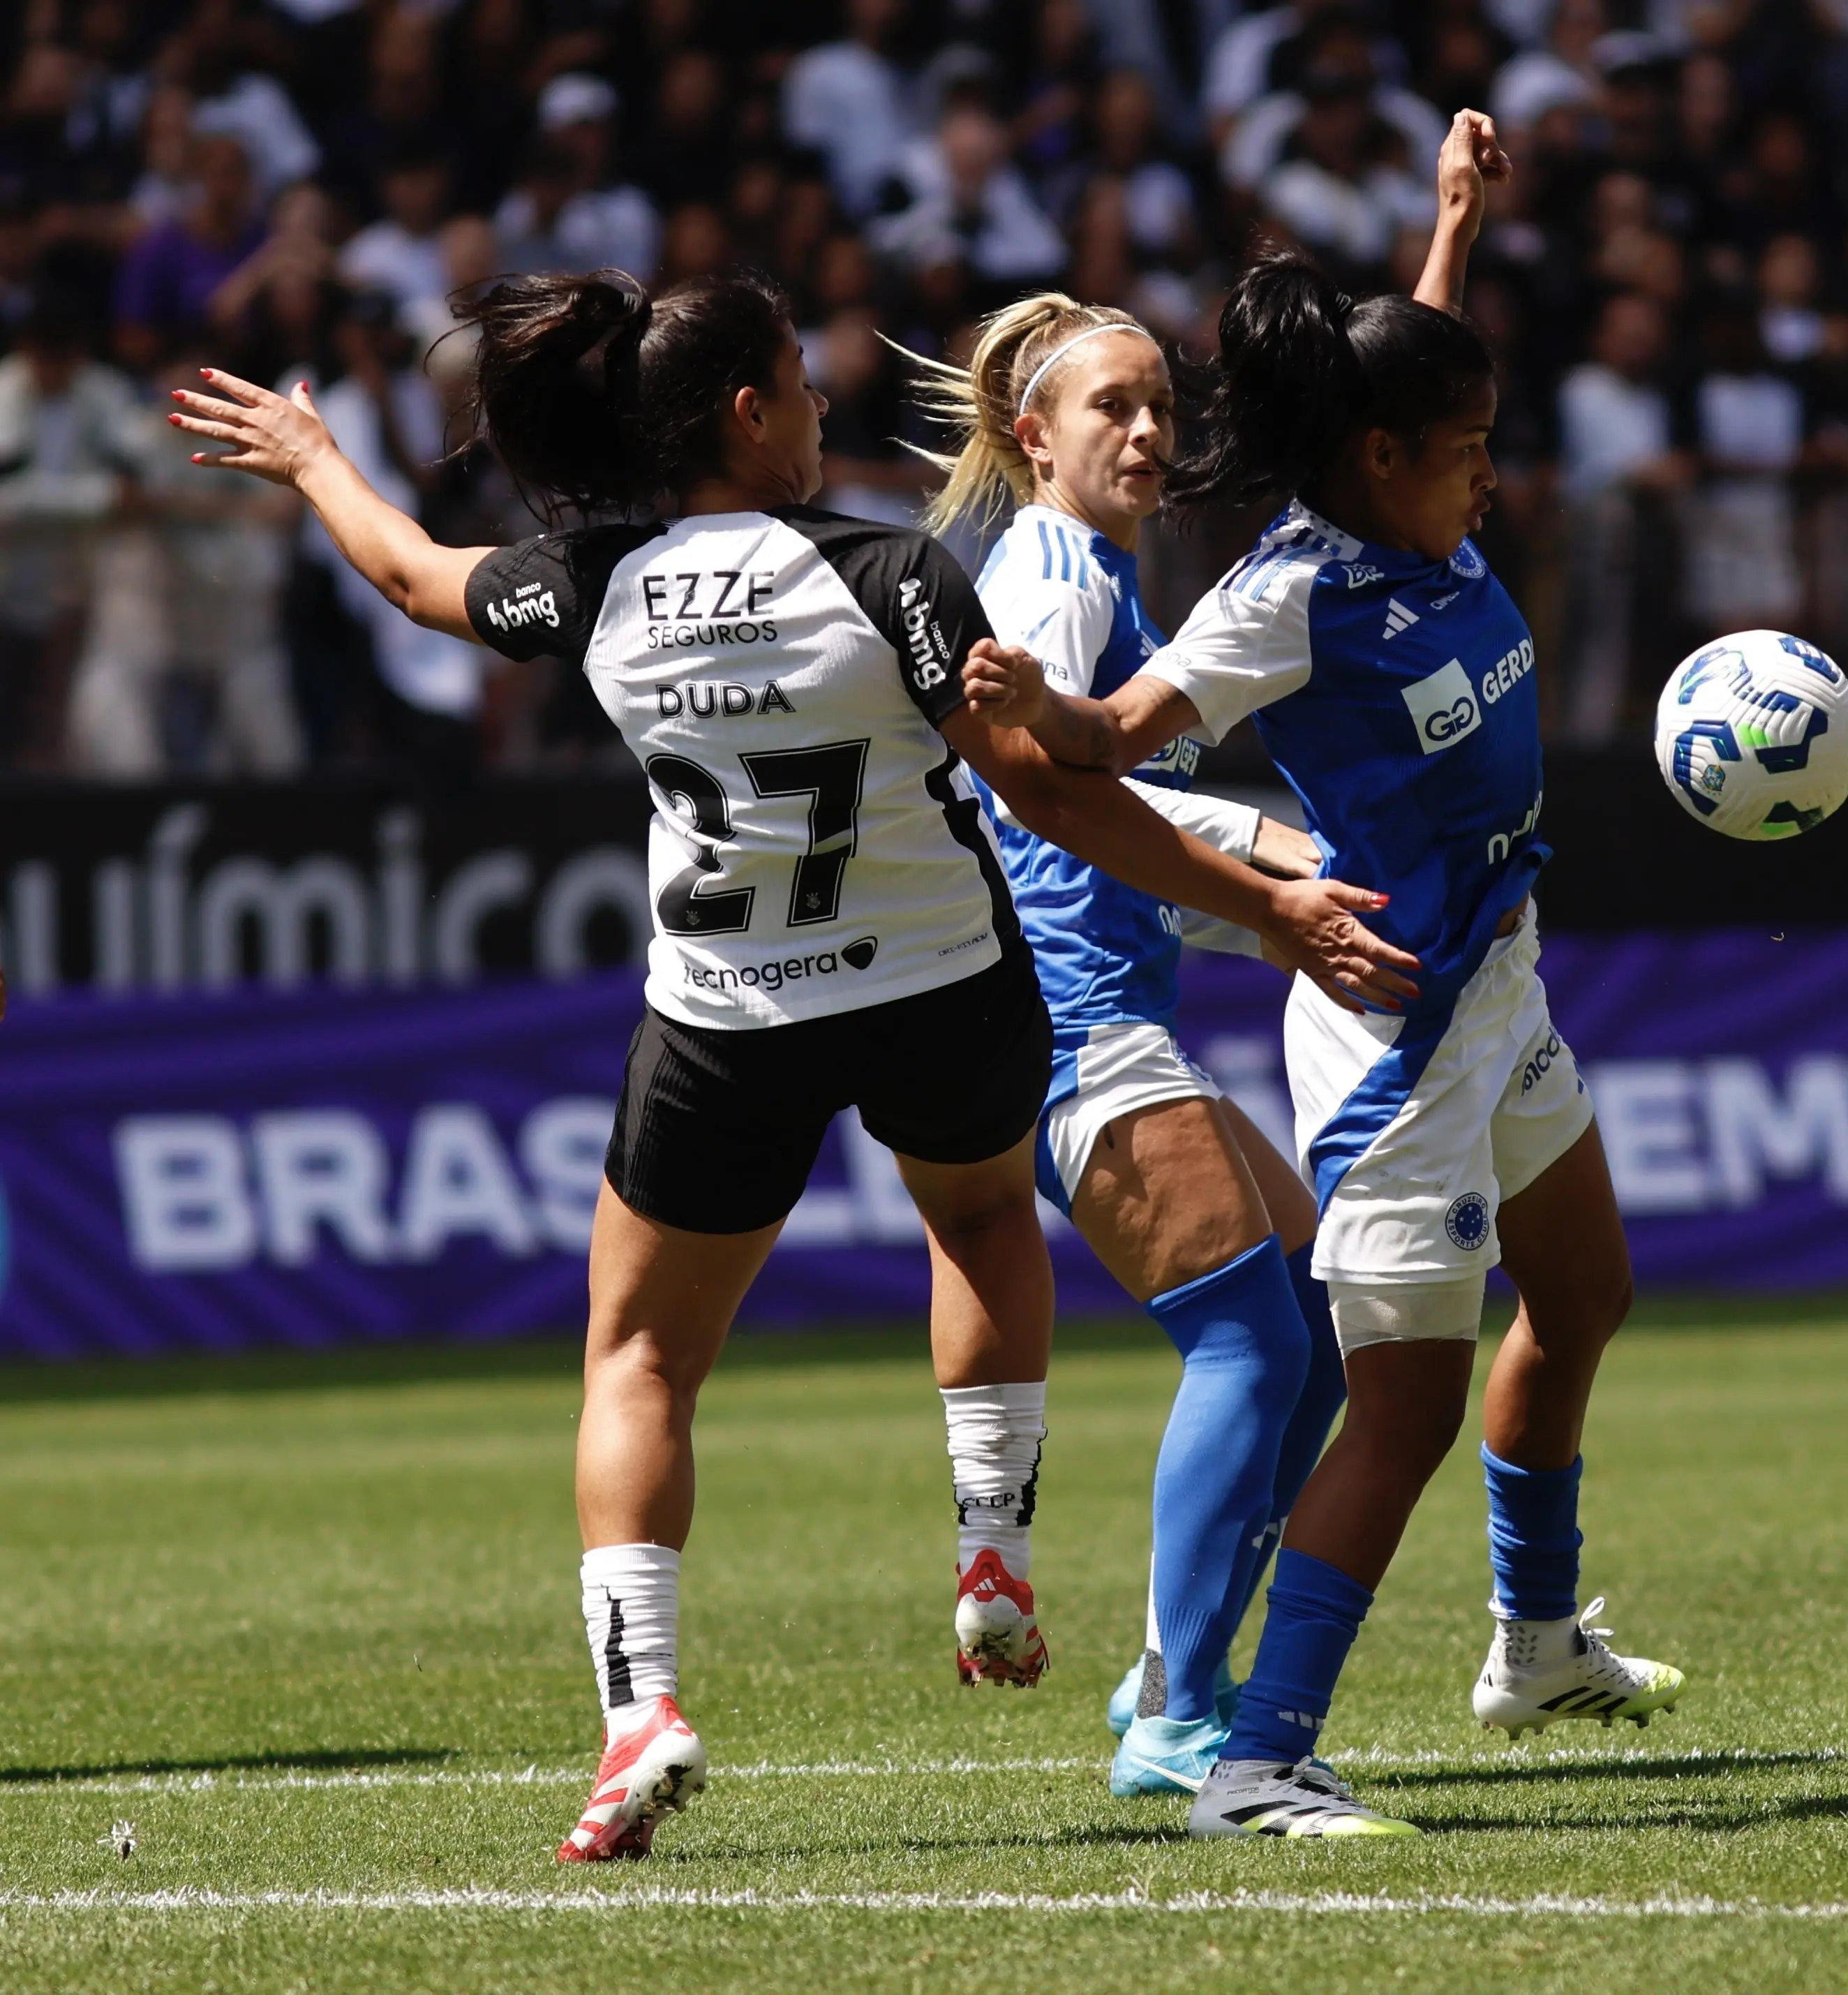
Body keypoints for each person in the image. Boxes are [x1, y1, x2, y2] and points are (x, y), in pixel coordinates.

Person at [170, 265, 1417, 1862]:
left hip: (724, 1019)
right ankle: (989, 1550)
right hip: (935, 986)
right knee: (972, 1223)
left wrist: (309, 457)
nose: (827, 410)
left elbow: (415, 581)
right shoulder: (894, 572)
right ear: (750, 412)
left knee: (638, 1359)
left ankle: (640, 1714)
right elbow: (1048, 798)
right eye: (804, 389)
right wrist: (1266, 903)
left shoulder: (593, 577)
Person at [964, 112, 1685, 1839]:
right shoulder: (1282, 596)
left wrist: (1448, 232)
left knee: (1581, 1293)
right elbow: (1111, 736)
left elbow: (1397, 386)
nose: (1487, 476)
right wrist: (1015, 714)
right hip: (1398, 1033)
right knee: (1394, 1398)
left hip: (1499, 981)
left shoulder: (1401, 505)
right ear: (1379, 458)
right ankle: (1249, 1756)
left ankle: (1531, 1640)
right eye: (1465, 452)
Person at [903, 292, 1355, 1798]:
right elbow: (1043, 792)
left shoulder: (1083, 569)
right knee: (1250, 1335)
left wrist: (1260, 870)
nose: (1148, 431)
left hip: (1103, 1009)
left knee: (1309, 1319)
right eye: (1111, 407)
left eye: (1161, 404)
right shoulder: (1043, 570)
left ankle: (1175, 1664)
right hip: (1065, 1018)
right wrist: (1271, 886)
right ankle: (1175, 1713)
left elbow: (1111, 810)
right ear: (1032, 436)